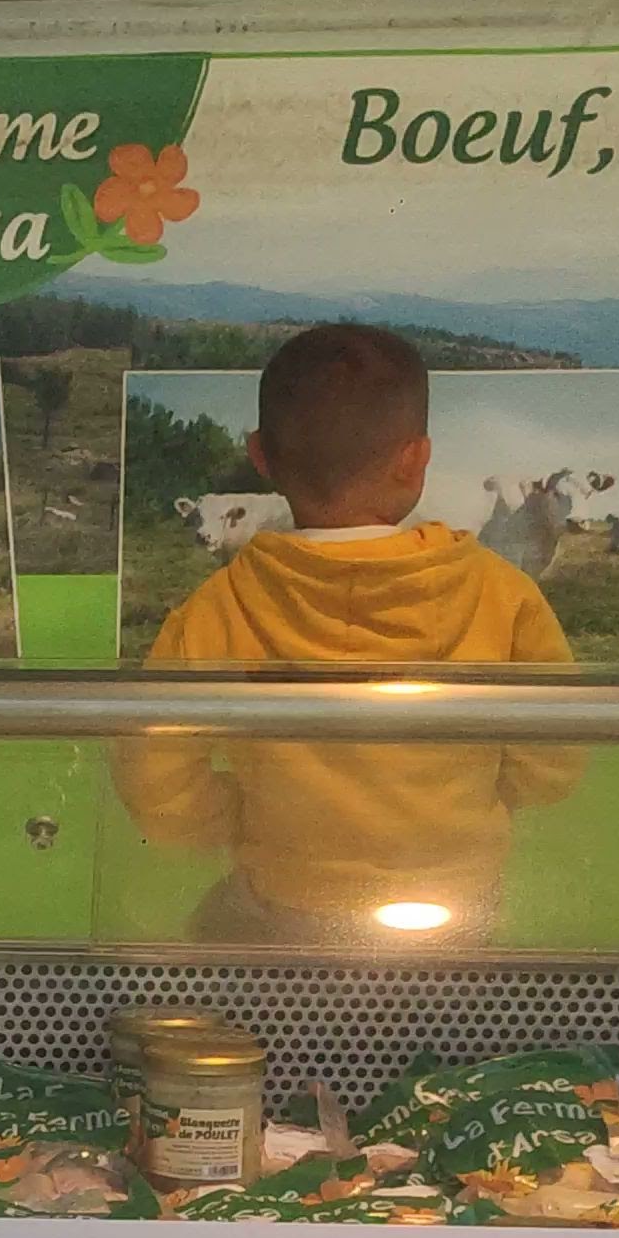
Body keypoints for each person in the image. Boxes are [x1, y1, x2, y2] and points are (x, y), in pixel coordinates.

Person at [115, 321, 579, 943]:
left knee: (212, 946)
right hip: (456, 901)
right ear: (416, 459)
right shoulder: (505, 593)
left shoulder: (217, 606)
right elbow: (555, 759)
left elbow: (155, 778)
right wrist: (479, 800)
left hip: (285, 898)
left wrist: (237, 818)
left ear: (259, 455)